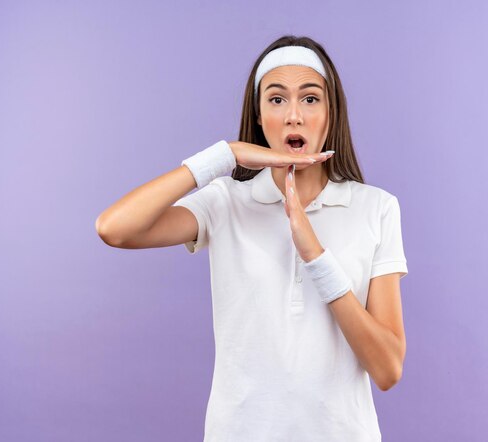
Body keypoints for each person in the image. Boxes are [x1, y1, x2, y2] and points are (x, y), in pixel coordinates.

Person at [96, 35, 408, 442]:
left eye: (311, 98)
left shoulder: (377, 208)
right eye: (276, 99)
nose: (294, 115)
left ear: (331, 112)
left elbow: (387, 369)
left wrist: (314, 254)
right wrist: (224, 156)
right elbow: (114, 228)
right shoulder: (226, 202)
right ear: (259, 115)